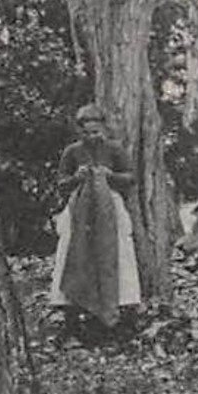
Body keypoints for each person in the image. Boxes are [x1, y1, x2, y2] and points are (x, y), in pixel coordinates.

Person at [49, 104, 142, 336]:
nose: (92, 136)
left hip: (109, 208)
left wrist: (111, 176)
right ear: (80, 131)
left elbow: (131, 177)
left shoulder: (114, 149)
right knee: (75, 254)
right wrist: (75, 178)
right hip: (80, 210)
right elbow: (61, 182)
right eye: (87, 132)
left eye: (96, 131)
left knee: (117, 255)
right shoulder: (72, 152)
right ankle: (73, 321)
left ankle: (119, 322)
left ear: (104, 128)